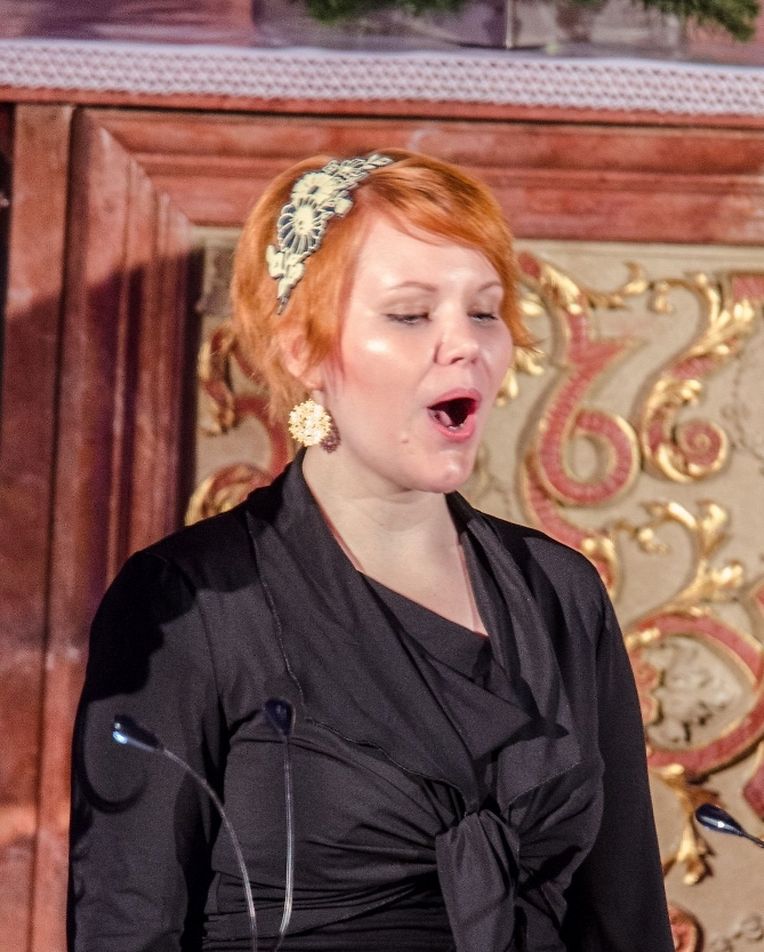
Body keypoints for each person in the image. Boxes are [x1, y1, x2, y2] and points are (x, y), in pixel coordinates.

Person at [68, 150, 674, 952]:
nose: (465, 346)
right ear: (303, 349)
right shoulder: (191, 602)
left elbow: (625, 920)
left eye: (484, 312)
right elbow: (124, 923)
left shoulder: (560, 592)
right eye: (412, 314)